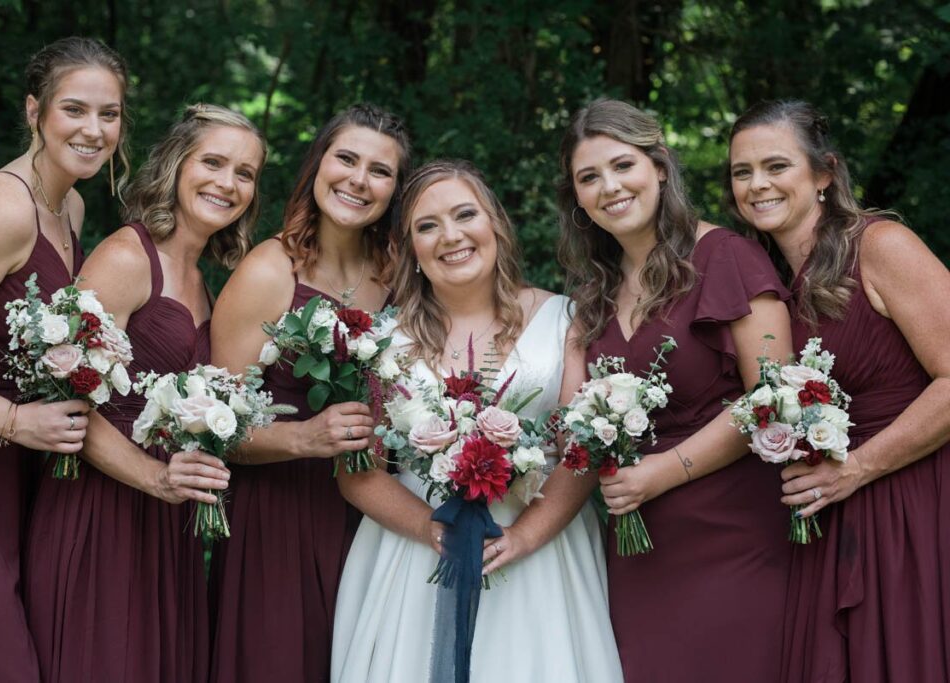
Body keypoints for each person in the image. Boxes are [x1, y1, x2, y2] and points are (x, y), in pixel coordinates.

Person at [485, 99, 794, 682]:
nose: (610, 187)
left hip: (736, 536)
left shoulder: (727, 255)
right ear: (576, 197)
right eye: (589, 177)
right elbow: (577, 428)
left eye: (623, 165)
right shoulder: (593, 296)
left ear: (659, 166)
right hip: (639, 549)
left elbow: (771, 396)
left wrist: (662, 472)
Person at [331, 159, 623, 682]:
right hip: (416, 554)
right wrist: (430, 530)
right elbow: (357, 471)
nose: (450, 236)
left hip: (539, 555)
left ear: (495, 226)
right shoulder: (383, 340)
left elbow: (581, 454)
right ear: (409, 249)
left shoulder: (564, 320)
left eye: (465, 214)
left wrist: (524, 537)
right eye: (427, 226)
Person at [23, 104, 263, 682]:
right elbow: (65, 398)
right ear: (178, 165)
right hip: (101, 508)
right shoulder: (128, 256)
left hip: (166, 524)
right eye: (213, 162)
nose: (227, 183)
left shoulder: (209, 283)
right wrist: (154, 477)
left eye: (246, 173)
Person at [0, 37, 127, 680]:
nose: (94, 130)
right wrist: (15, 421)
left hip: (8, 467)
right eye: (75, 109)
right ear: (34, 111)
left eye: (110, 114)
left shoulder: (70, 204)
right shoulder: (5, 210)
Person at [728, 99, 950, 683]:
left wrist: (859, 467)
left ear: (823, 174)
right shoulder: (770, 288)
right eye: (741, 172)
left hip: (912, 502)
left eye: (776, 166)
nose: (757, 185)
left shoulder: (880, 246)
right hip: (829, 517)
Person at [208, 103, 411, 683]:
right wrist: (302, 437)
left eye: (379, 170)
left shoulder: (397, 271)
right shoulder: (270, 270)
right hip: (280, 519)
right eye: (346, 158)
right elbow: (213, 429)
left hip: (375, 513)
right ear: (318, 163)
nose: (357, 179)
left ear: (395, 190)